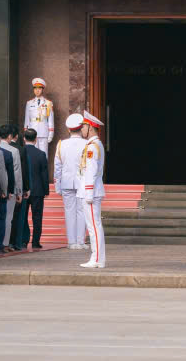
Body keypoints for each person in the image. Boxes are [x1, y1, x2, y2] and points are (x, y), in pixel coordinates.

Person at [77, 111, 106, 268]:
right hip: (92, 190)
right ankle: (97, 259)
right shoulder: (94, 145)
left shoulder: (93, 147)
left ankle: (96, 259)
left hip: (91, 192)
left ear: (91, 128)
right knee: (94, 226)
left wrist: (88, 192)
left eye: (83, 126)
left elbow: (91, 171)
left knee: (94, 226)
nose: (81, 129)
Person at [55, 114, 86, 250]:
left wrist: (57, 186)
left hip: (66, 182)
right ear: (81, 128)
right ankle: (80, 241)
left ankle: (71, 242)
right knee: (81, 211)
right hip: (82, 182)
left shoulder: (61, 144)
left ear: (68, 129)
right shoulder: (87, 144)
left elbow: (57, 167)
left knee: (69, 212)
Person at [22, 128, 50, 250]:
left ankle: (23, 240)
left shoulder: (20, 152)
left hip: (23, 190)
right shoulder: (41, 154)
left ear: (24, 139)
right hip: (38, 190)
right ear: (36, 139)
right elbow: (44, 174)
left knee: (23, 217)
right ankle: (35, 241)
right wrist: (46, 190)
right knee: (37, 217)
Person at [23, 78, 55, 152]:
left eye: (39, 88)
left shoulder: (48, 103)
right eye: (35, 88)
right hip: (32, 131)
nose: (37, 91)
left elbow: (50, 120)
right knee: (32, 153)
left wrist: (51, 133)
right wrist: (26, 133)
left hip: (43, 132)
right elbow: (27, 119)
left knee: (44, 153)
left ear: (42, 89)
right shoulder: (29, 103)